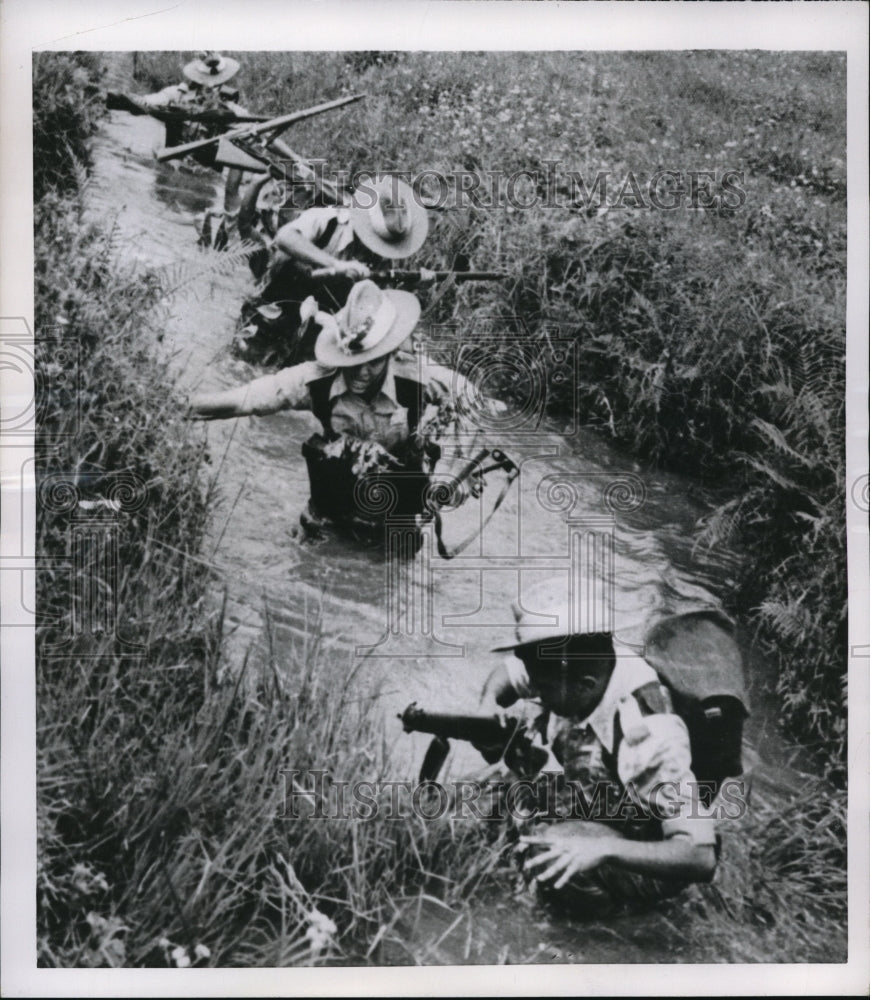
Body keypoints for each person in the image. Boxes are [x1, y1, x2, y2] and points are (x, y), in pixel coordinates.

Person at [481, 575, 719, 914]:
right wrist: (487, 706)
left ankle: (616, 921)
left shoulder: (651, 737)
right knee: (494, 795)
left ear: (584, 685)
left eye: (542, 690)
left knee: (550, 850)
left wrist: (603, 849)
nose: (534, 694)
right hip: (604, 798)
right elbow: (510, 673)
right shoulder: (579, 662)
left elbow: (700, 857)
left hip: (645, 847)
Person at [191, 279, 488, 547]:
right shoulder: (317, 380)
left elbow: (474, 400)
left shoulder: (416, 378)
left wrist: (456, 470)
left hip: (394, 526)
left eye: (372, 362)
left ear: (391, 354)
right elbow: (244, 401)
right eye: (353, 362)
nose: (361, 372)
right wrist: (178, 406)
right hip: (325, 521)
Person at [235, 174, 431, 366]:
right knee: (243, 366)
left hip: (315, 330)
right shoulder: (327, 219)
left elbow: (376, 310)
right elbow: (285, 238)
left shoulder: (382, 259)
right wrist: (335, 265)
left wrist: (412, 288)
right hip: (271, 313)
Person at [136, 52, 250, 241]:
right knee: (164, 207)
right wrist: (145, 103)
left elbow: (252, 130)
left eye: (216, 83)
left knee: (199, 215)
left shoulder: (230, 110)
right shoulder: (177, 95)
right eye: (206, 82)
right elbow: (152, 100)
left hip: (205, 174)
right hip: (171, 165)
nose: (210, 87)